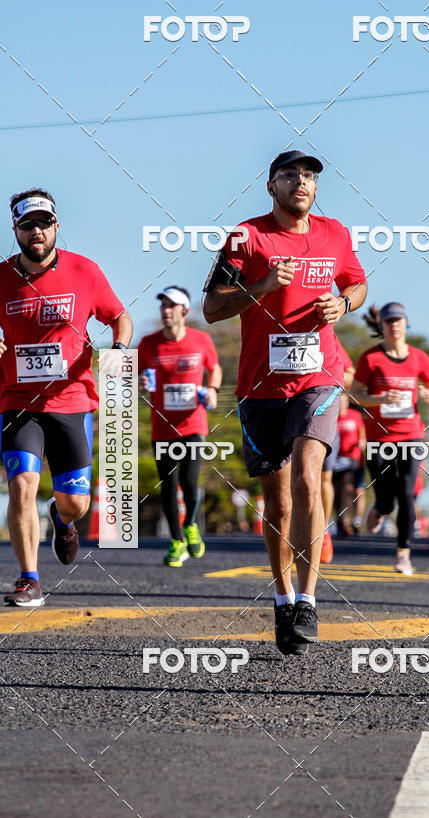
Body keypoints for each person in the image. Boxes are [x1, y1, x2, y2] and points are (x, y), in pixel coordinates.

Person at [203, 149, 367, 654]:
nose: (302, 182)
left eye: (310, 176)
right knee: (276, 498)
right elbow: (211, 308)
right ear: (270, 185)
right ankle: (282, 597)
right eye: (290, 175)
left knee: (307, 473)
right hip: (260, 386)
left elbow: (358, 284)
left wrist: (343, 303)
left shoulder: (336, 233)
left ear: (316, 189)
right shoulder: (245, 237)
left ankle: (310, 601)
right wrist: (264, 286)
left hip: (320, 377)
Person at [0, 188, 132, 607]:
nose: (36, 231)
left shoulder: (84, 271)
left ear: (56, 226)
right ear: (15, 231)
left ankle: (62, 519)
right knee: (22, 486)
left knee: (75, 501)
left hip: (72, 399)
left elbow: (119, 316)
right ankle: (29, 578)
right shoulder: (1, 276)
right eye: (27, 225)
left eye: (43, 223)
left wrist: (119, 348)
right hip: (17, 401)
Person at [352, 303, 429, 574]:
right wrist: (379, 398)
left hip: (411, 436)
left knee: (406, 494)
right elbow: (355, 394)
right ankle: (380, 508)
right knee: (387, 499)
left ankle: (403, 554)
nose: (394, 325)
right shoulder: (370, 358)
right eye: (389, 321)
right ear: (381, 326)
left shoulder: (419, 358)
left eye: (398, 320)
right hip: (378, 438)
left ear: (406, 324)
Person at [138, 286, 221, 566]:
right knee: (168, 487)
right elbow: (131, 374)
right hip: (162, 427)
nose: (166, 311)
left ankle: (191, 527)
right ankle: (176, 542)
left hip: (194, 423)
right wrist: (136, 382)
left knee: (189, 480)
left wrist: (213, 389)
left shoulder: (201, 340)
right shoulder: (148, 344)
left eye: (172, 306)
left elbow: (215, 366)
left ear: (184, 311)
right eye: (163, 306)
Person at [320, 338, 355, 562]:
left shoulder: (326, 332)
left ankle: (323, 530)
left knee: (324, 479)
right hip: (284, 414)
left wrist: (325, 378)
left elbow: (351, 374)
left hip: (323, 416)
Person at [333, 391, 366, 536]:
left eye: (344, 402)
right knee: (336, 491)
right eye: (339, 402)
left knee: (352, 489)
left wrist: (361, 443)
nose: (342, 405)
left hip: (353, 458)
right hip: (335, 459)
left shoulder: (356, 416)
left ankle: (354, 520)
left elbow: (363, 437)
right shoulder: (331, 417)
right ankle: (340, 520)